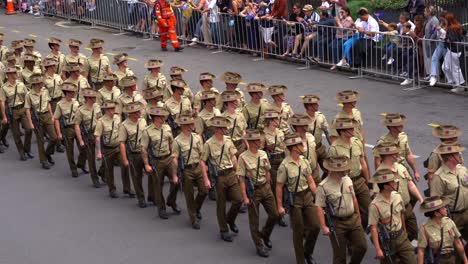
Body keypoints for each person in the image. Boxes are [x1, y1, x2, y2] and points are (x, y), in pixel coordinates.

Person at [315, 156, 367, 264]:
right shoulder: (323, 186)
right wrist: (324, 226)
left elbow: (353, 198)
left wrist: (358, 215)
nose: (344, 171)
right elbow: (319, 207)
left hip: (353, 219)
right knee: (340, 256)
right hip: (337, 223)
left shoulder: (347, 179)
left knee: (362, 247)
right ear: (333, 170)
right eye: (341, 170)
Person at [276, 133, 318, 264]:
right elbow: (279, 186)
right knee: (298, 231)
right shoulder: (285, 166)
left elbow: (310, 181)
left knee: (315, 226)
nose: (302, 146)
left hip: (307, 196)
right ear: (294, 147)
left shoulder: (304, 161)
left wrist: (319, 197)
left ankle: (307, 252)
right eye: (300, 144)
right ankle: (300, 260)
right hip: (295, 200)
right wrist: (280, 206)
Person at [200, 116, 242, 242]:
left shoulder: (228, 140)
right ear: (217, 129)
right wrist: (206, 179)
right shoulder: (208, 144)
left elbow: (233, 157)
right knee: (221, 204)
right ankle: (224, 230)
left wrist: (238, 172)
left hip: (231, 173)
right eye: (223, 128)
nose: (226, 130)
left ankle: (230, 219)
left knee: (238, 200)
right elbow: (203, 162)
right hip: (219, 176)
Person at [238, 129, 278, 258]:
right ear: (250, 142)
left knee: (274, 215)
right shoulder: (243, 157)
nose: (259, 142)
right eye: (256, 140)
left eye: (259, 140)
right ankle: (259, 245)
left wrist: (267, 185)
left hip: (265, 188)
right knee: (254, 221)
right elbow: (241, 178)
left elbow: (267, 171)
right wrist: (244, 197)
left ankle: (265, 234)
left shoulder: (263, 154)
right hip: (253, 191)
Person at [374, 142, 424, 242]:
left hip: (406, 206)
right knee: (395, 236)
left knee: (413, 231)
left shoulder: (401, 167)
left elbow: (410, 184)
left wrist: (421, 199)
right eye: (394, 153)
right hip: (394, 211)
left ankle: (404, 246)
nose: (397, 155)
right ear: (387, 155)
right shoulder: (380, 173)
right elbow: (377, 196)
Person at [368, 168, 417, 264]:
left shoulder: (397, 196)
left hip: (401, 237)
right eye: (392, 182)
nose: (396, 183)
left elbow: (401, 214)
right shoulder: (375, 205)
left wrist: (404, 231)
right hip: (387, 241)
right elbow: (373, 228)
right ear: (386, 186)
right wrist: (378, 249)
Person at [329, 118, 370, 228]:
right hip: (344, 183)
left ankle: (360, 227)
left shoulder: (357, 143)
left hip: (359, 180)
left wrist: (367, 181)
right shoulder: (334, 148)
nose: (353, 130)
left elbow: (363, 163)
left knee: (368, 208)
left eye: (352, 128)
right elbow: (331, 170)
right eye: (349, 129)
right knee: (348, 211)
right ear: (342, 131)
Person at [141, 106, 180, 217]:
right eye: (161, 116)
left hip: (168, 158)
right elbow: (143, 149)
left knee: (176, 181)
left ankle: (171, 200)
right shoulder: (147, 131)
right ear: (155, 118)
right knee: (158, 185)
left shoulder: (167, 128)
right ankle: (161, 208)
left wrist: (174, 156)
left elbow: (171, 143)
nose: (163, 118)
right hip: (157, 161)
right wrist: (146, 164)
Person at [172, 112, 208, 229]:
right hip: (186, 170)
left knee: (204, 191)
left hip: (197, 167)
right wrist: (175, 174)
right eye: (189, 124)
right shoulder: (177, 141)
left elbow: (202, 153)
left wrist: (205, 166)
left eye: (192, 123)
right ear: (183, 126)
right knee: (189, 195)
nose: (192, 125)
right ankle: (193, 219)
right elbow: (175, 159)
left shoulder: (197, 137)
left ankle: (196, 208)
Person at [430, 142, 468, 247]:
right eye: (457, 154)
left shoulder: (462, 170)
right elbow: (435, 200)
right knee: (454, 248)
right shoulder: (439, 176)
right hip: (453, 216)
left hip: (466, 213)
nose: (460, 155)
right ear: (450, 157)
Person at [94, 100, 134, 199]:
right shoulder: (101, 122)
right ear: (106, 110)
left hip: (118, 146)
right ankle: (112, 189)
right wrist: (98, 152)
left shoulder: (117, 118)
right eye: (110, 109)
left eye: (113, 108)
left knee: (125, 165)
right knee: (109, 169)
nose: (113, 111)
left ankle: (127, 188)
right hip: (108, 149)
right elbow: (97, 137)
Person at [417, 196, 468, 264]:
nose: (446, 209)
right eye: (443, 208)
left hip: (451, 259)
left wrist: (465, 260)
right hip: (437, 260)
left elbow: (458, 242)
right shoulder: (425, 228)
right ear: (436, 213)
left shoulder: (449, 222)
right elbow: (421, 251)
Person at [374, 113, 421, 182]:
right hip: (390, 171)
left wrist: (415, 171)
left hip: (403, 169)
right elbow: (377, 161)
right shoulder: (383, 142)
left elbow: (408, 154)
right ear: (392, 127)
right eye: (399, 124)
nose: (402, 125)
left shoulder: (403, 136)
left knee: (413, 189)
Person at [53, 82, 87, 178]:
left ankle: (81, 163)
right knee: (70, 150)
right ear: (67, 93)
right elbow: (56, 119)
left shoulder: (76, 102)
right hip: (68, 129)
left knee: (84, 148)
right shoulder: (60, 104)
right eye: (71, 92)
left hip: (77, 127)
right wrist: (59, 133)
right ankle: (73, 168)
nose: (73, 93)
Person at [24, 73, 58, 169]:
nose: (40, 84)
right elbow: (27, 109)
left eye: (41, 83)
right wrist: (30, 123)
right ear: (34, 84)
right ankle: (43, 160)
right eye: (38, 83)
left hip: (46, 115)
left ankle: (48, 153)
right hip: (37, 117)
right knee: (40, 140)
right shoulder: (29, 95)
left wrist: (52, 116)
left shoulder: (45, 91)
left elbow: (48, 104)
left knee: (54, 137)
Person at [119, 101, 148, 208]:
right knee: (137, 176)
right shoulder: (124, 125)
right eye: (136, 112)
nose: (138, 113)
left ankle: (152, 195)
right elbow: (122, 143)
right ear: (130, 114)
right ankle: (141, 198)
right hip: (134, 154)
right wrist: (125, 159)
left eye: (138, 111)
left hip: (145, 152)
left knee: (153, 174)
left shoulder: (143, 121)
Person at [0, 66, 33, 161]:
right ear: (9, 75)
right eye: (14, 73)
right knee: (16, 134)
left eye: (15, 72)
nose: (16, 74)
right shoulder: (4, 87)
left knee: (29, 129)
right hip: (12, 111)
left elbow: (27, 96)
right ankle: (22, 152)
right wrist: (4, 116)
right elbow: (2, 102)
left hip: (22, 109)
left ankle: (27, 149)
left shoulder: (21, 84)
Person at [262, 109, 286, 226]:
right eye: (276, 119)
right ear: (270, 121)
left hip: (281, 159)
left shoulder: (280, 132)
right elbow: (261, 151)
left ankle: (282, 208)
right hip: (271, 161)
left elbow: (284, 147)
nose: (278, 121)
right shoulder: (263, 134)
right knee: (276, 186)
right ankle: (277, 214)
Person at [74, 88, 102, 188]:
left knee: (105, 155)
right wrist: (81, 140)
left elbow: (100, 119)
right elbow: (77, 125)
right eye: (92, 97)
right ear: (87, 98)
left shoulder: (97, 107)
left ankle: (102, 172)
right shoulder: (80, 111)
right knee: (91, 158)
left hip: (98, 133)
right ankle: (95, 178)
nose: (94, 98)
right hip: (88, 135)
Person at [300, 94, 330, 176]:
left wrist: (332, 146)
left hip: (320, 147)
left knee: (330, 168)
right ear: (309, 107)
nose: (317, 105)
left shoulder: (321, 117)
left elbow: (326, 132)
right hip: (310, 149)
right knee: (314, 172)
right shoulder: (303, 120)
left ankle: (323, 184)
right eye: (315, 104)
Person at [442, 13, 466, 92]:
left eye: (445, 19)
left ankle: (460, 85)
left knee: (455, 68)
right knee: (445, 67)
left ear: (447, 20)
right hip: (455, 49)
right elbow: (464, 34)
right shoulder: (458, 26)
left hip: (453, 50)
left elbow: (451, 40)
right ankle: (453, 82)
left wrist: (444, 38)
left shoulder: (450, 28)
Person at [422, 6, 439, 80]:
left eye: (425, 11)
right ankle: (431, 74)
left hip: (432, 43)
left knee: (433, 59)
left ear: (429, 12)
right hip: (428, 42)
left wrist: (430, 40)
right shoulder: (429, 20)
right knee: (430, 58)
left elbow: (434, 32)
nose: (424, 13)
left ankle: (435, 75)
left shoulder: (434, 20)